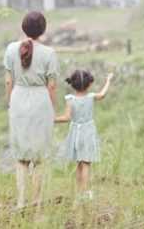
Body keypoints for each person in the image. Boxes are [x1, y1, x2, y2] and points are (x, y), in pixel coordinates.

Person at [3, 11, 60, 209]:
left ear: (23, 27)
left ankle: (20, 202)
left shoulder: (11, 49)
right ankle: (36, 203)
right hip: (40, 101)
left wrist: (10, 103)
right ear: (42, 30)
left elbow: (8, 80)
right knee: (39, 156)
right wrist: (53, 109)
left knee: (21, 156)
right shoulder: (49, 53)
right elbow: (52, 85)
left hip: (18, 98)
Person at [55, 69, 114, 200]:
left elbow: (66, 117)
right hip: (88, 132)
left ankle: (79, 191)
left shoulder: (70, 99)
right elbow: (103, 94)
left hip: (75, 133)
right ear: (88, 85)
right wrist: (108, 80)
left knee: (79, 164)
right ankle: (85, 193)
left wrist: (52, 119)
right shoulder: (91, 97)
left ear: (73, 85)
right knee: (86, 163)